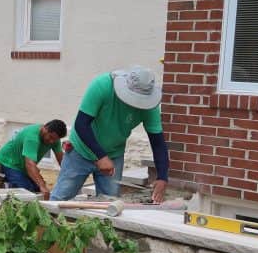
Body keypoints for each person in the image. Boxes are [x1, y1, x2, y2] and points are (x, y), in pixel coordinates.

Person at [51, 66, 170, 202]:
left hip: (114, 154)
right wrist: (101, 156)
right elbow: (81, 124)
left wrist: (162, 177)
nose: (137, 104)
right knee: (60, 198)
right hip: (80, 150)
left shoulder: (150, 105)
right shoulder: (102, 86)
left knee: (110, 204)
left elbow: (158, 143)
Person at [0, 120, 67, 198]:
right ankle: (6, 185)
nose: (51, 141)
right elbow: (29, 164)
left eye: (55, 139)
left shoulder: (54, 139)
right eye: (50, 137)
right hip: (9, 162)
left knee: (37, 190)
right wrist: (42, 185)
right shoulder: (32, 137)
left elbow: (62, 160)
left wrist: (69, 177)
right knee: (27, 192)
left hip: (24, 165)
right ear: (45, 128)